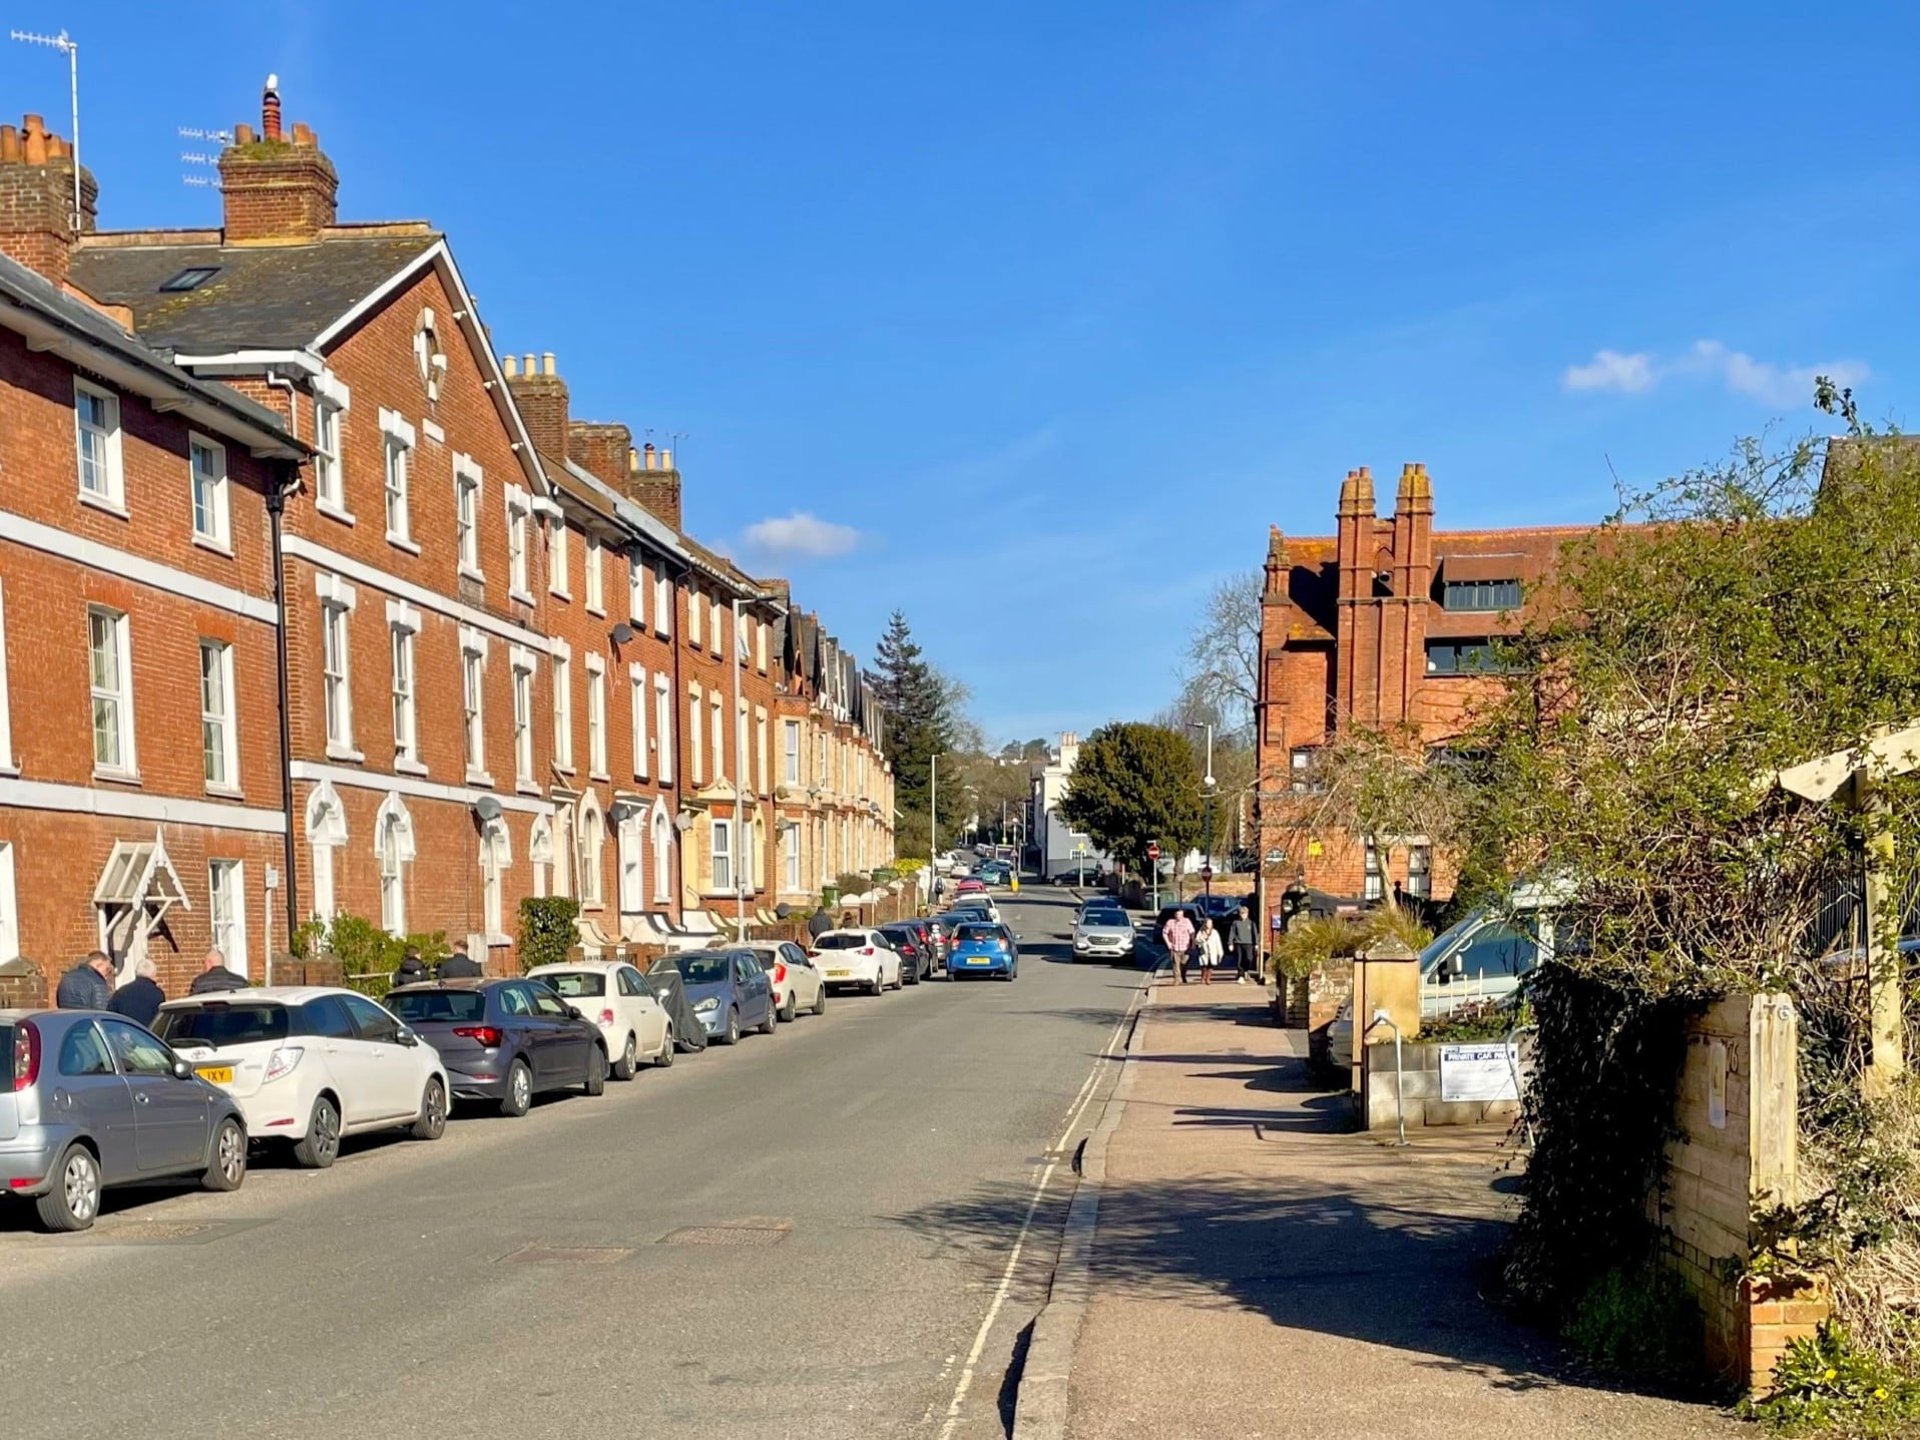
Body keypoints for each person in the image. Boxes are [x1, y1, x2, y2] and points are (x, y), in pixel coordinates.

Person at [107, 957, 166, 1026]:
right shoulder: (157, 994)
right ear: (153, 974)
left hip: (125, 1032)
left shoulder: (121, 992)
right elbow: (161, 1021)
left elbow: (110, 1015)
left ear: (136, 973)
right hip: (148, 1034)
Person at [1161, 908, 1195, 985]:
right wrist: (1168, 943)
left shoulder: (1187, 921)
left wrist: (1192, 943)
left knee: (1184, 964)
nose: (1179, 916)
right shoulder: (1170, 922)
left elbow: (1192, 932)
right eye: (1177, 914)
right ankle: (1176, 979)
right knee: (1175, 964)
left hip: (1185, 948)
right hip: (1175, 947)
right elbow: (1164, 933)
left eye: (1181, 914)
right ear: (1174, 915)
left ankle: (1183, 975)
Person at [1229, 904, 1258, 985]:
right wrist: (1230, 943)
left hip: (1249, 943)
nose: (1243, 915)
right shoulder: (1236, 923)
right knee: (1239, 959)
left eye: (1244, 913)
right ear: (1239, 914)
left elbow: (1254, 934)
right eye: (1242, 913)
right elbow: (1232, 933)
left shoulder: (1251, 923)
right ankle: (1241, 975)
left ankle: (1245, 970)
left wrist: (1256, 944)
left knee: (1249, 959)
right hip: (1238, 943)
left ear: (1247, 914)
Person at [1195, 916, 1224, 985]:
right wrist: (1202, 939)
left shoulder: (1215, 932)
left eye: (1210, 923)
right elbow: (1196, 941)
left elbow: (1218, 942)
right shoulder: (1201, 932)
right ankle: (1203, 977)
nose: (1209, 925)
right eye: (1208, 923)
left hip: (1213, 951)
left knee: (1211, 965)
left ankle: (1208, 979)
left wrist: (1220, 952)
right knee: (1204, 966)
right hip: (1204, 952)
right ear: (1205, 924)